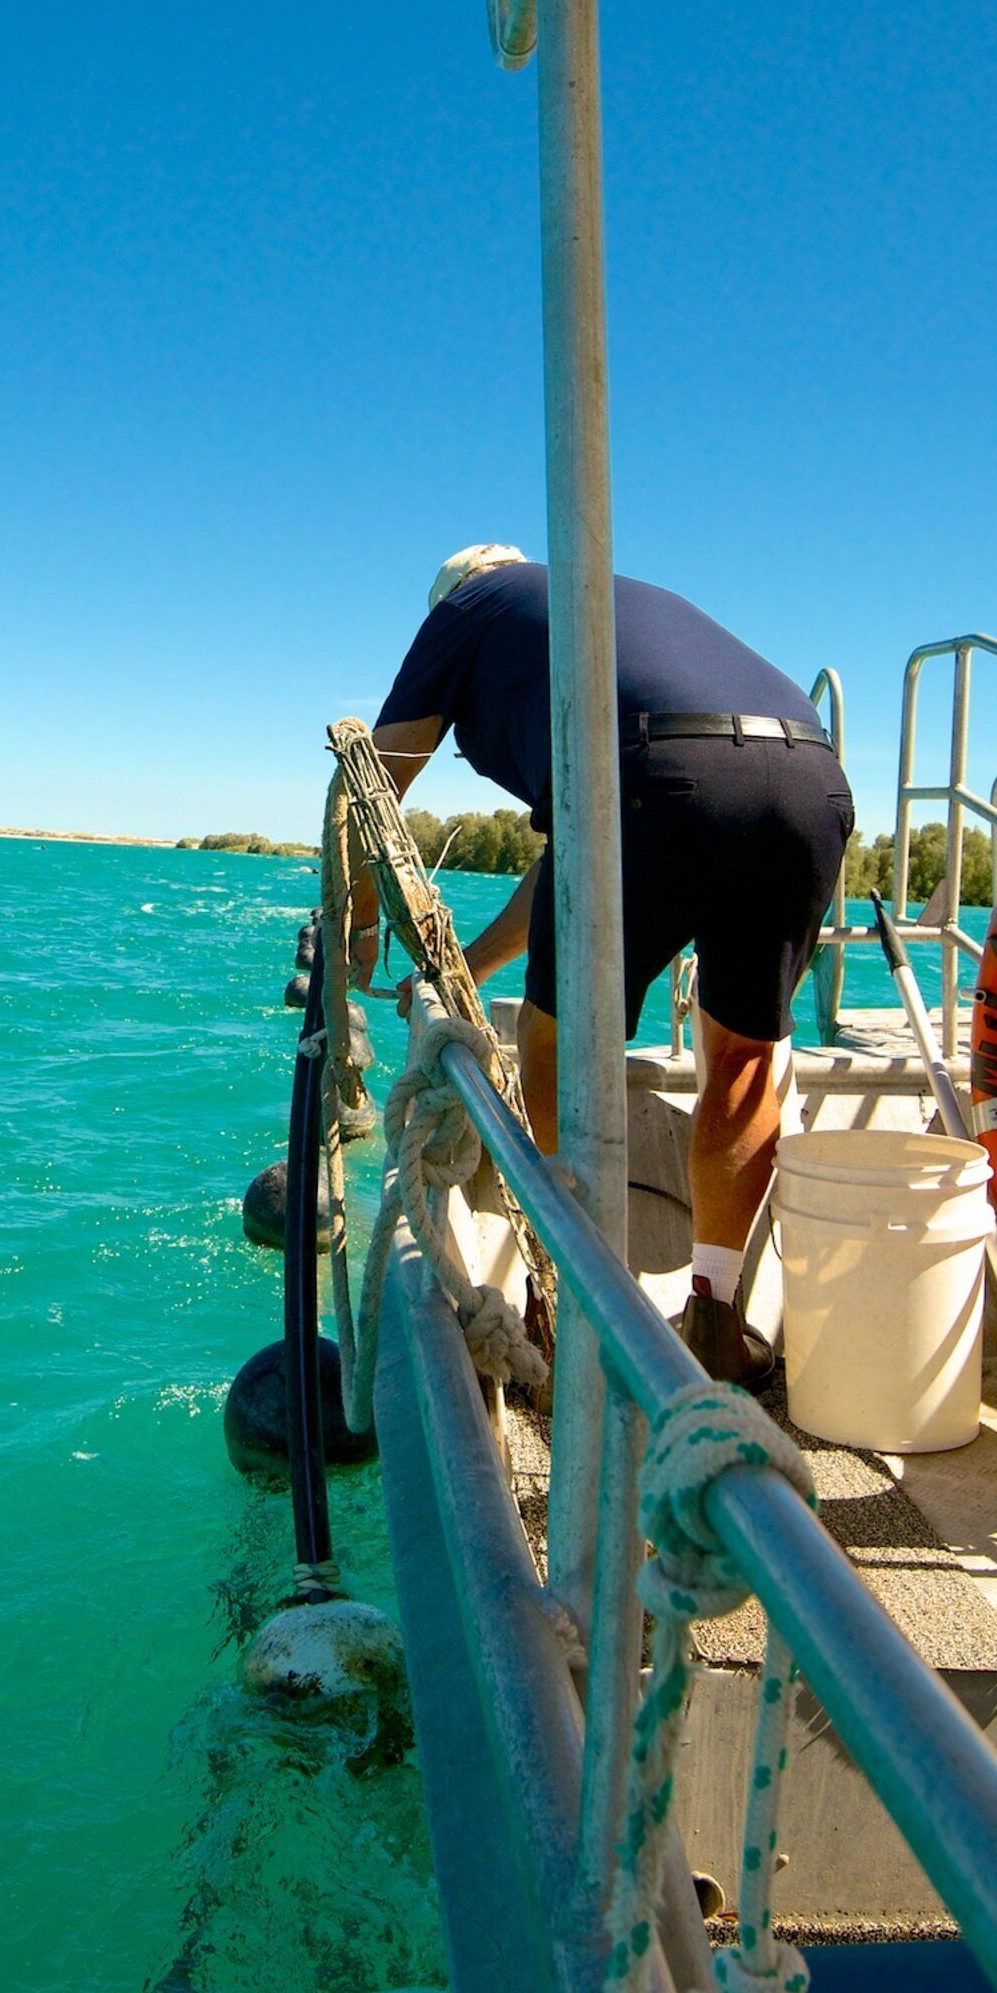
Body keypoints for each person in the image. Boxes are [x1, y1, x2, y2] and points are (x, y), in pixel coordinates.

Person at [353, 544, 851, 1385]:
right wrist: (466, 967)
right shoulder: (600, 607)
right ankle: (715, 1322)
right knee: (741, 1064)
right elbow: (562, 871)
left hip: (646, 782)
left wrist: (355, 933)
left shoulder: (466, 609)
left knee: (561, 1049)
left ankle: (578, 1305)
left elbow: (374, 788)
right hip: (810, 780)